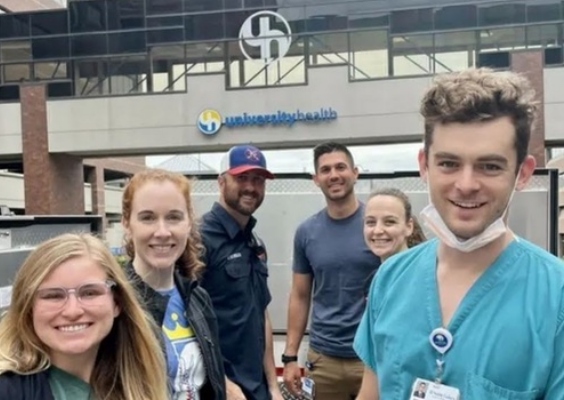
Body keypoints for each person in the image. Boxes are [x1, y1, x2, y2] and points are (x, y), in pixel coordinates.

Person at [354, 67, 564, 399]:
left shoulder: (556, 298)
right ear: (424, 165)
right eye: (449, 163)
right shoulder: (390, 278)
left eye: (490, 166)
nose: (466, 185)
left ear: (523, 174)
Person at [0, 233, 169, 400]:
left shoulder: (140, 382)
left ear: (117, 302)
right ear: (28, 308)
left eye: (89, 293)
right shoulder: (7, 390)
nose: (72, 311)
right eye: (53, 296)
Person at [282, 142, 381, 400]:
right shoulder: (307, 232)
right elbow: (300, 295)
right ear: (316, 179)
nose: (334, 175)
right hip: (323, 359)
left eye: (340, 167)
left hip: (373, 356)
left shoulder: (377, 226)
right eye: (325, 170)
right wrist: (290, 356)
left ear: (355, 173)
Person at [121, 169, 226, 399]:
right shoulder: (113, 304)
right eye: (147, 218)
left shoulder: (198, 300)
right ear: (127, 223)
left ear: (189, 223)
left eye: (173, 217)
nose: (162, 232)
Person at [200, 144, 283, 400]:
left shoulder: (254, 243)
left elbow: (261, 315)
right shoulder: (198, 241)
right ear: (221, 182)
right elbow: (187, 322)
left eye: (258, 179)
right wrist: (224, 383)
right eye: (241, 178)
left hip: (257, 389)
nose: (251, 187)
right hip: (219, 391)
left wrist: (273, 386)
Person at [362, 187, 427, 298]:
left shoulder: (423, 277)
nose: (377, 230)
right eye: (371, 222)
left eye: (389, 222)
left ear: (408, 226)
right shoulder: (376, 279)